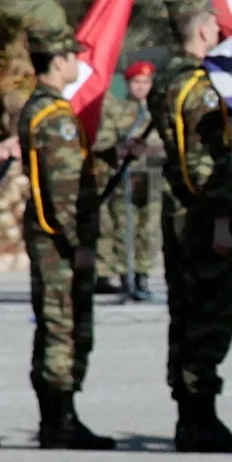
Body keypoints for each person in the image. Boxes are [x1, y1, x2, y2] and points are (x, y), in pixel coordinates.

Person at [150, 0, 232, 453]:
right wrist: (219, 219)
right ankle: (200, 418)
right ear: (199, 30)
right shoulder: (199, 87)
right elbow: (208, 162)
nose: (220, 27)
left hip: (176, 212)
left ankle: (189, 414)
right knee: (208, 318)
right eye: (213, 22)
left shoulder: (164, 81)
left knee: (185, 313)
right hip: (199, 217)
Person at [16, 24, 115, 450]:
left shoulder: (40, 109)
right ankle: (61, 421)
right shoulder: (54, 117)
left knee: (57, 325)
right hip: (60, 242)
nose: (79, 62)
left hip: (49, 238)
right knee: (65, 328)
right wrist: (81, 246)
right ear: (57, 62)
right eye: (73, 56)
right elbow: (62, 192)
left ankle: (58, 416)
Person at [97, 60, 162, 301]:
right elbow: (104, 143)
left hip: (152, 177)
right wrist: (122, 148)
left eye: (146, 82)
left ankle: (143, 274)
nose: (141, 87)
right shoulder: (115, 110)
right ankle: (126, 275)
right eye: (136, 82)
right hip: (125, 178)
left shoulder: (159, 111)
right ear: (127, 83)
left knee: (148, 229)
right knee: (124, 227)